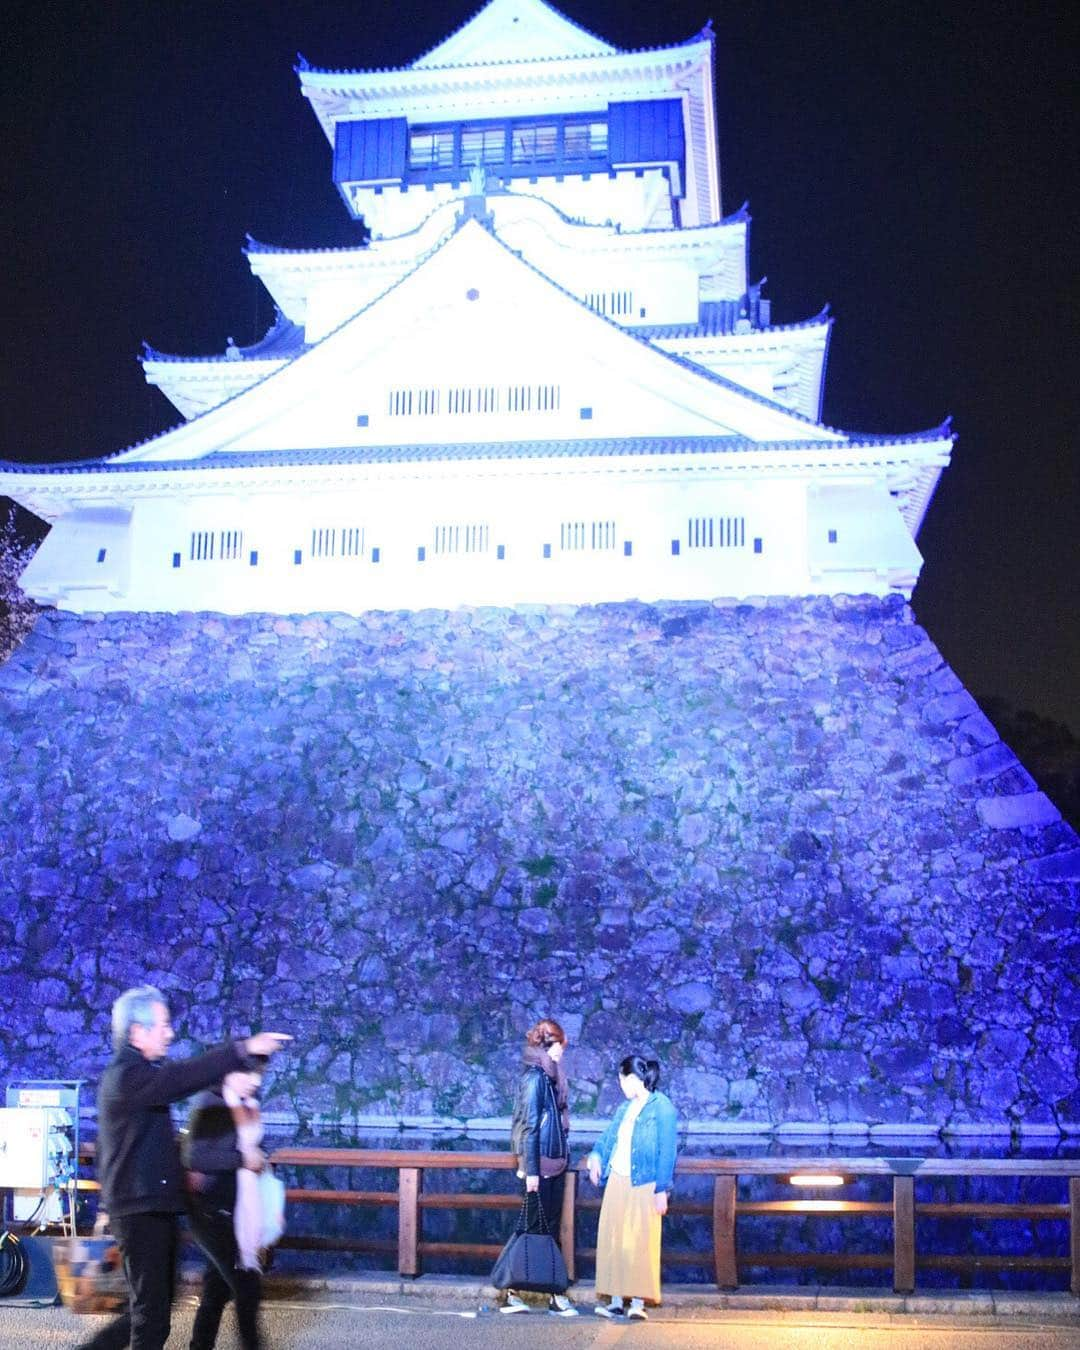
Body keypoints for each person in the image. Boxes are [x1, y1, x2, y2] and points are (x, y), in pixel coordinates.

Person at [77, 986, 290, 1350]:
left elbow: (180, 1084)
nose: (170, 1033)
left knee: (150, 1312)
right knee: (151, 1320)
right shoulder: (128, 1076)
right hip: (140, 1210)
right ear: (137, 1032)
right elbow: (182, 1078)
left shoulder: (139, 1076)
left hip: (154, 1207)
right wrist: (241, 1049)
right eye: (163, 1025)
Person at [183, 1059, 271, 1350]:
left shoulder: (245, 1104)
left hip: (235, 1209)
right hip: (211, 1212)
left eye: (258, 1074)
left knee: (216, 1290)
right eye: (249, 1074)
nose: (255, 1081)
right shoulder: (212, 1104)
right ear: (228, 1072)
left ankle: (200, 1346)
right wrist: (242, 1159)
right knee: (247, 1289)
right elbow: (195, 1158)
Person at [586, 1054, 678, 1322]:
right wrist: (596, 1156)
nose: (620, 1085)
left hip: (644, 1181)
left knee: (640, 1240)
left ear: (635, 1079)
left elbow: (667, 1152)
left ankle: (637, 1301)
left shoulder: (662, 1108)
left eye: (622, 1079)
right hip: (618, 1177)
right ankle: (615, 1300)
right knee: (614, 1237)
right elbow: (609, 1137)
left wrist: (662, 1188)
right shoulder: (624, 1109)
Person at [501, 1017, 577, 1317]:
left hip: (550, 1163)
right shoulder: (535, 1078)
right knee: (534, 1229)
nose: (562, 1054)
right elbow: (531, 1126)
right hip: (540, 1166)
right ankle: (533, 1293)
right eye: (559, 1048)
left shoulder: (548, 1075)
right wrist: (531, 1171)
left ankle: (543, 1293)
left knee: (543, 1229)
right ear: (550, 1046)